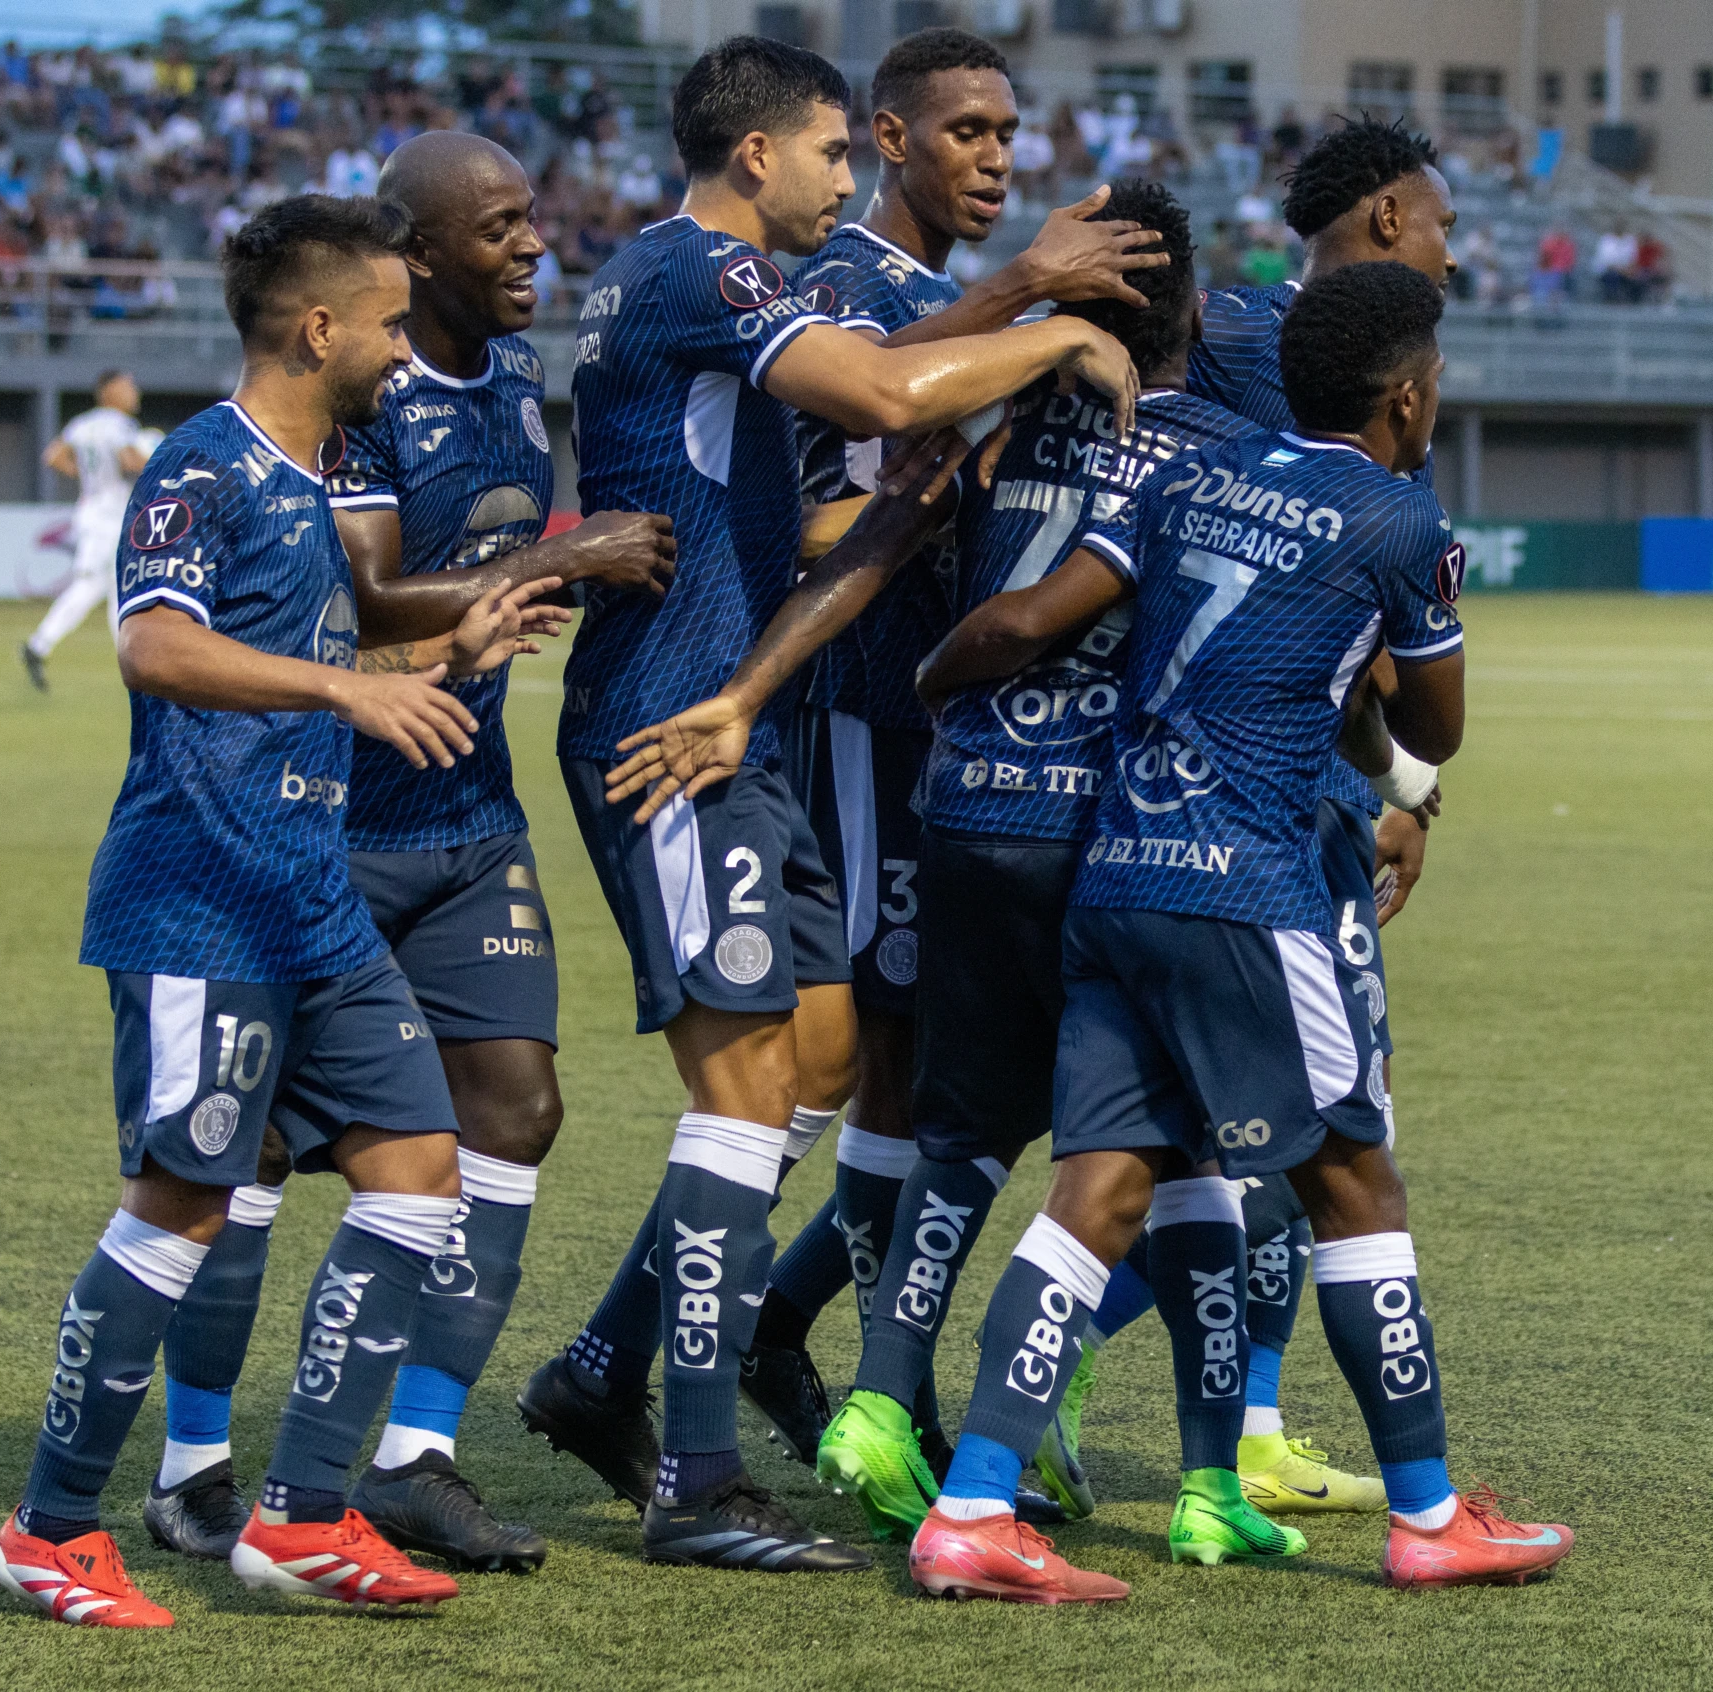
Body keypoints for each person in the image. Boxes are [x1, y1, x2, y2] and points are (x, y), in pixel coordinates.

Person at [505, 34, 1137, 1574]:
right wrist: (1054, 336)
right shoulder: (693, 274)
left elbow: (824, 490)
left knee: (825, 1059)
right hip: (675, 724)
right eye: (835, 153)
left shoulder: (712, 283)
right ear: (755, 158)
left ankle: (607, 1374)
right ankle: (701, 1476)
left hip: (745, 721)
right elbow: (883, 378)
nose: (849, 176)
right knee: (741, 1096)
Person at [904, 259, 1574, 1603]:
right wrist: (1382, 665)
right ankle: (1432, 1513)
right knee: (1355, 1183)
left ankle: (973, 1510)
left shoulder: (1177, 482)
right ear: (1404, 397)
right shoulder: (1399, 519)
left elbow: (1040, 616)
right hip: (1249, 887)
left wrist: (929, 687)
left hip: (1117, 874)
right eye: (1434, 382)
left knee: (1093, 1193)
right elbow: (1430, 732)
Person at [0, 194, 559, 1628]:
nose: (395, 342)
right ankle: (46, 1531)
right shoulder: (204, 463)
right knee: (177, 1205)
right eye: (379, 320)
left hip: (310, 899)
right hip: (202, 899)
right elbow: (157, 646)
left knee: (421, 1166)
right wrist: (346, 687)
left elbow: (331, 632)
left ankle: (298, 1516)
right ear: (318, 328)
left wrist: (446, 637)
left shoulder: (319, 479)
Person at [783, 181, 1309, 1569]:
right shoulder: (1215, 453)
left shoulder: (991, 411)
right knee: (1174, 1155)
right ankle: (1208, 1485)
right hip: (1109, 833)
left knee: (956, 1128)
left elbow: (883, 494)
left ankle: (883, 1404)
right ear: (1197, 310)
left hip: (960, 807)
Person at [219, 130, 666, 1572]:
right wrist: (564, 559)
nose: (535, 241)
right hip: (334, 817)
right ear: (414, 251)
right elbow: (357, 598)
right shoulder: (365, 393)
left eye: (535, 215)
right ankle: (191, 1463)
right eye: (500, 224)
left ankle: (414, 1453)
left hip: (471, 818)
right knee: (261, 1145)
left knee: (515, 1112)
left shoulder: (520, 382)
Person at [736, 25, 1170, 1476]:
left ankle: (814, 1348)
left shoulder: (935, 292)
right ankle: (801, 1363)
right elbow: (836, 428)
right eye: (967, 131)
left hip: (949, 727)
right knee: (878, 1058)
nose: (995, 156)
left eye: (1008, 132)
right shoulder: (849, 284)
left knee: (918, 1064)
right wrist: (1030, 295)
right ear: (891, 137)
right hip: (870, 706)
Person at [1053, 116, 1447, 1519]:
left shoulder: (1382, 355)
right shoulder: (1239, 338)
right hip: (1234, 808)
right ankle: (1087, 1375)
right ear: (1393, 215)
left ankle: (1258, 1424)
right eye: (1444, 220)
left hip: (1322, 790)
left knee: (1284, 1137)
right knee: (1307, 1140)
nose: (1458, 250)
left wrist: (1403, 789)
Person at [21, 369, 161, 691]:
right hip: (111, 516)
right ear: (110, 391)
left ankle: (131, 663)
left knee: (117, 588)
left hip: (91, 509)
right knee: (93, 584)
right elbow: (130, 462)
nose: (134, 392)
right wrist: (157, 456)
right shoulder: (121, 426)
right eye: (128, 386)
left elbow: (53, 456)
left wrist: (87, 478)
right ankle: (39, 643)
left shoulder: (81, 424)